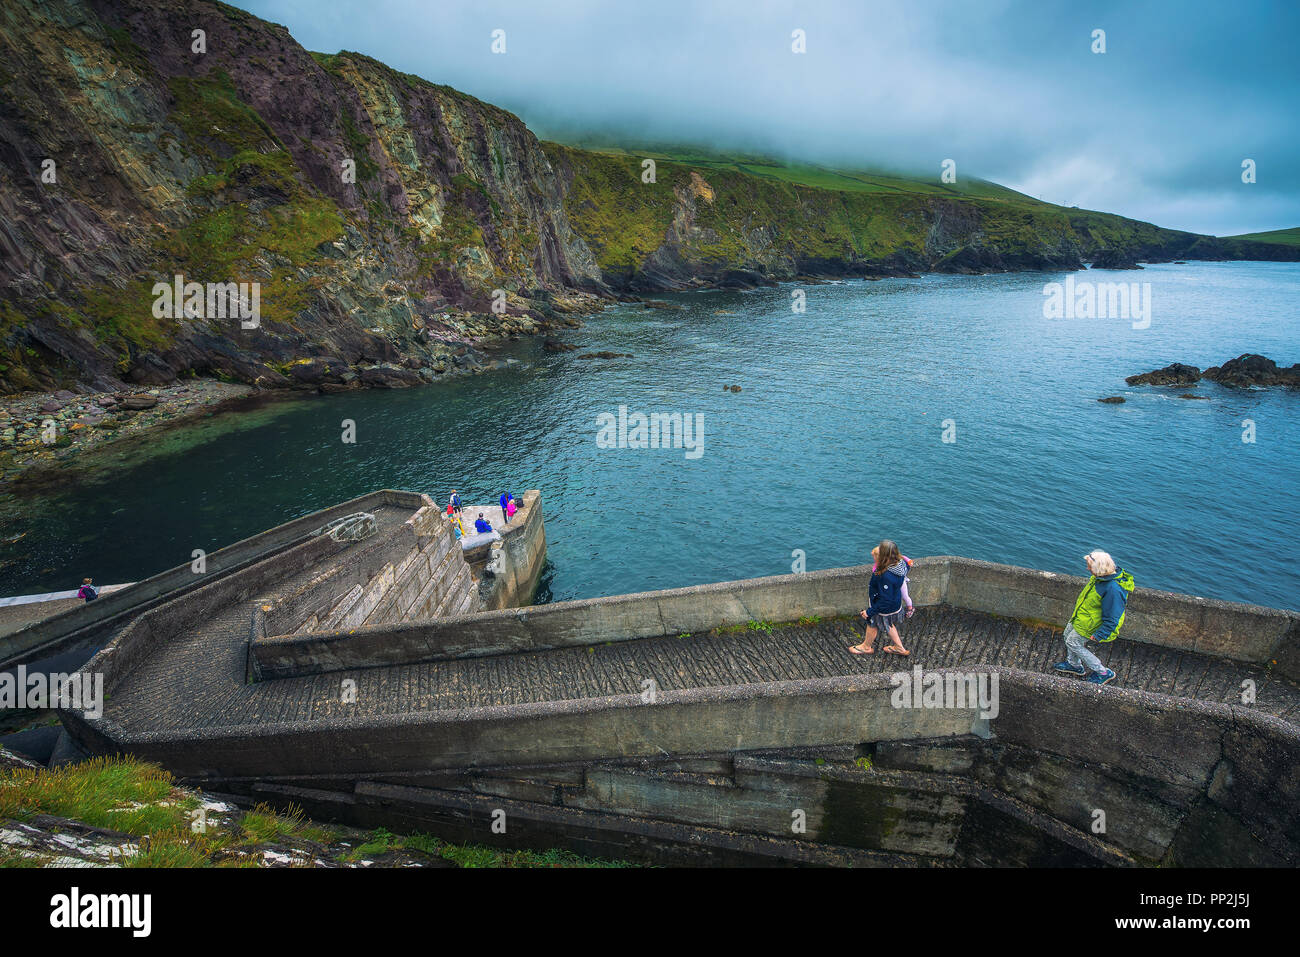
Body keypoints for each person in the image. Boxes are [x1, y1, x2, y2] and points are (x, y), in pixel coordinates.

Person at [1051, 550, 1134, 686]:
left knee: (1073, 643)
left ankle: (1102, 672)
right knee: (1067, 636)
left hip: (1091, 624)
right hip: (1082, 618)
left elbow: (1113, 616)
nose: (1087, 568)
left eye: (1089, 566)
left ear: (1099, 569)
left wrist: (1100, 634)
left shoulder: (1113, 589)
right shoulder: (1100, 578)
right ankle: (1074, 665)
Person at [850, 540, 910, 656]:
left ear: (883, 557)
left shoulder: (885, 576)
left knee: (872, 624)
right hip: (895, 603)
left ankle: (866, 647)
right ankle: (899, 648)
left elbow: (885, 600)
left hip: (883, 608)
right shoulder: (901, 565)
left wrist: (869, 612)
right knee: (889, 624)